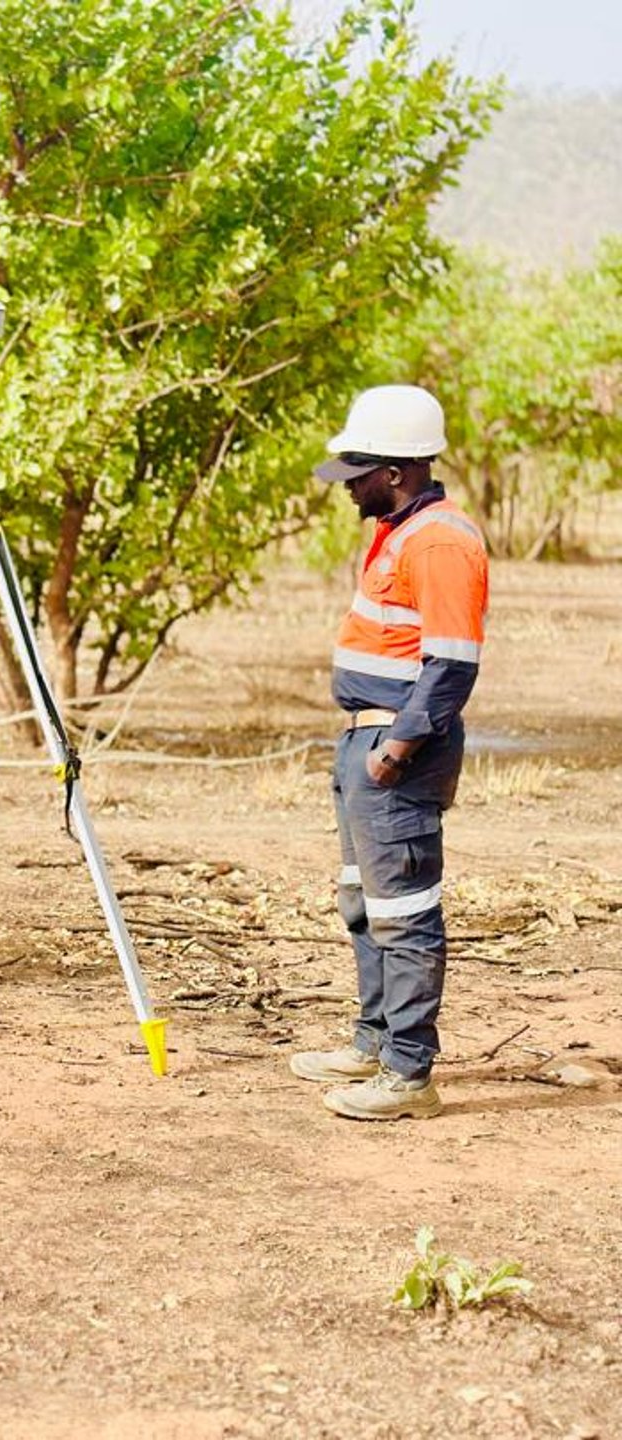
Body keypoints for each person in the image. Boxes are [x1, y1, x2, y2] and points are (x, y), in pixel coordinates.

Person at [289, 385, 488, 1121]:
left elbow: (451, 666)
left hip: (395, 752)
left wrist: (395, 750)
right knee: (364, 903)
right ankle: (373, 1042)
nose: (346, 489)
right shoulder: (398, 528)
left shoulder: (439, 541)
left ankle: (409, 1074)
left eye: (356, 473)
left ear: (396, 472)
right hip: (364, 741)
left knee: (404, 910)